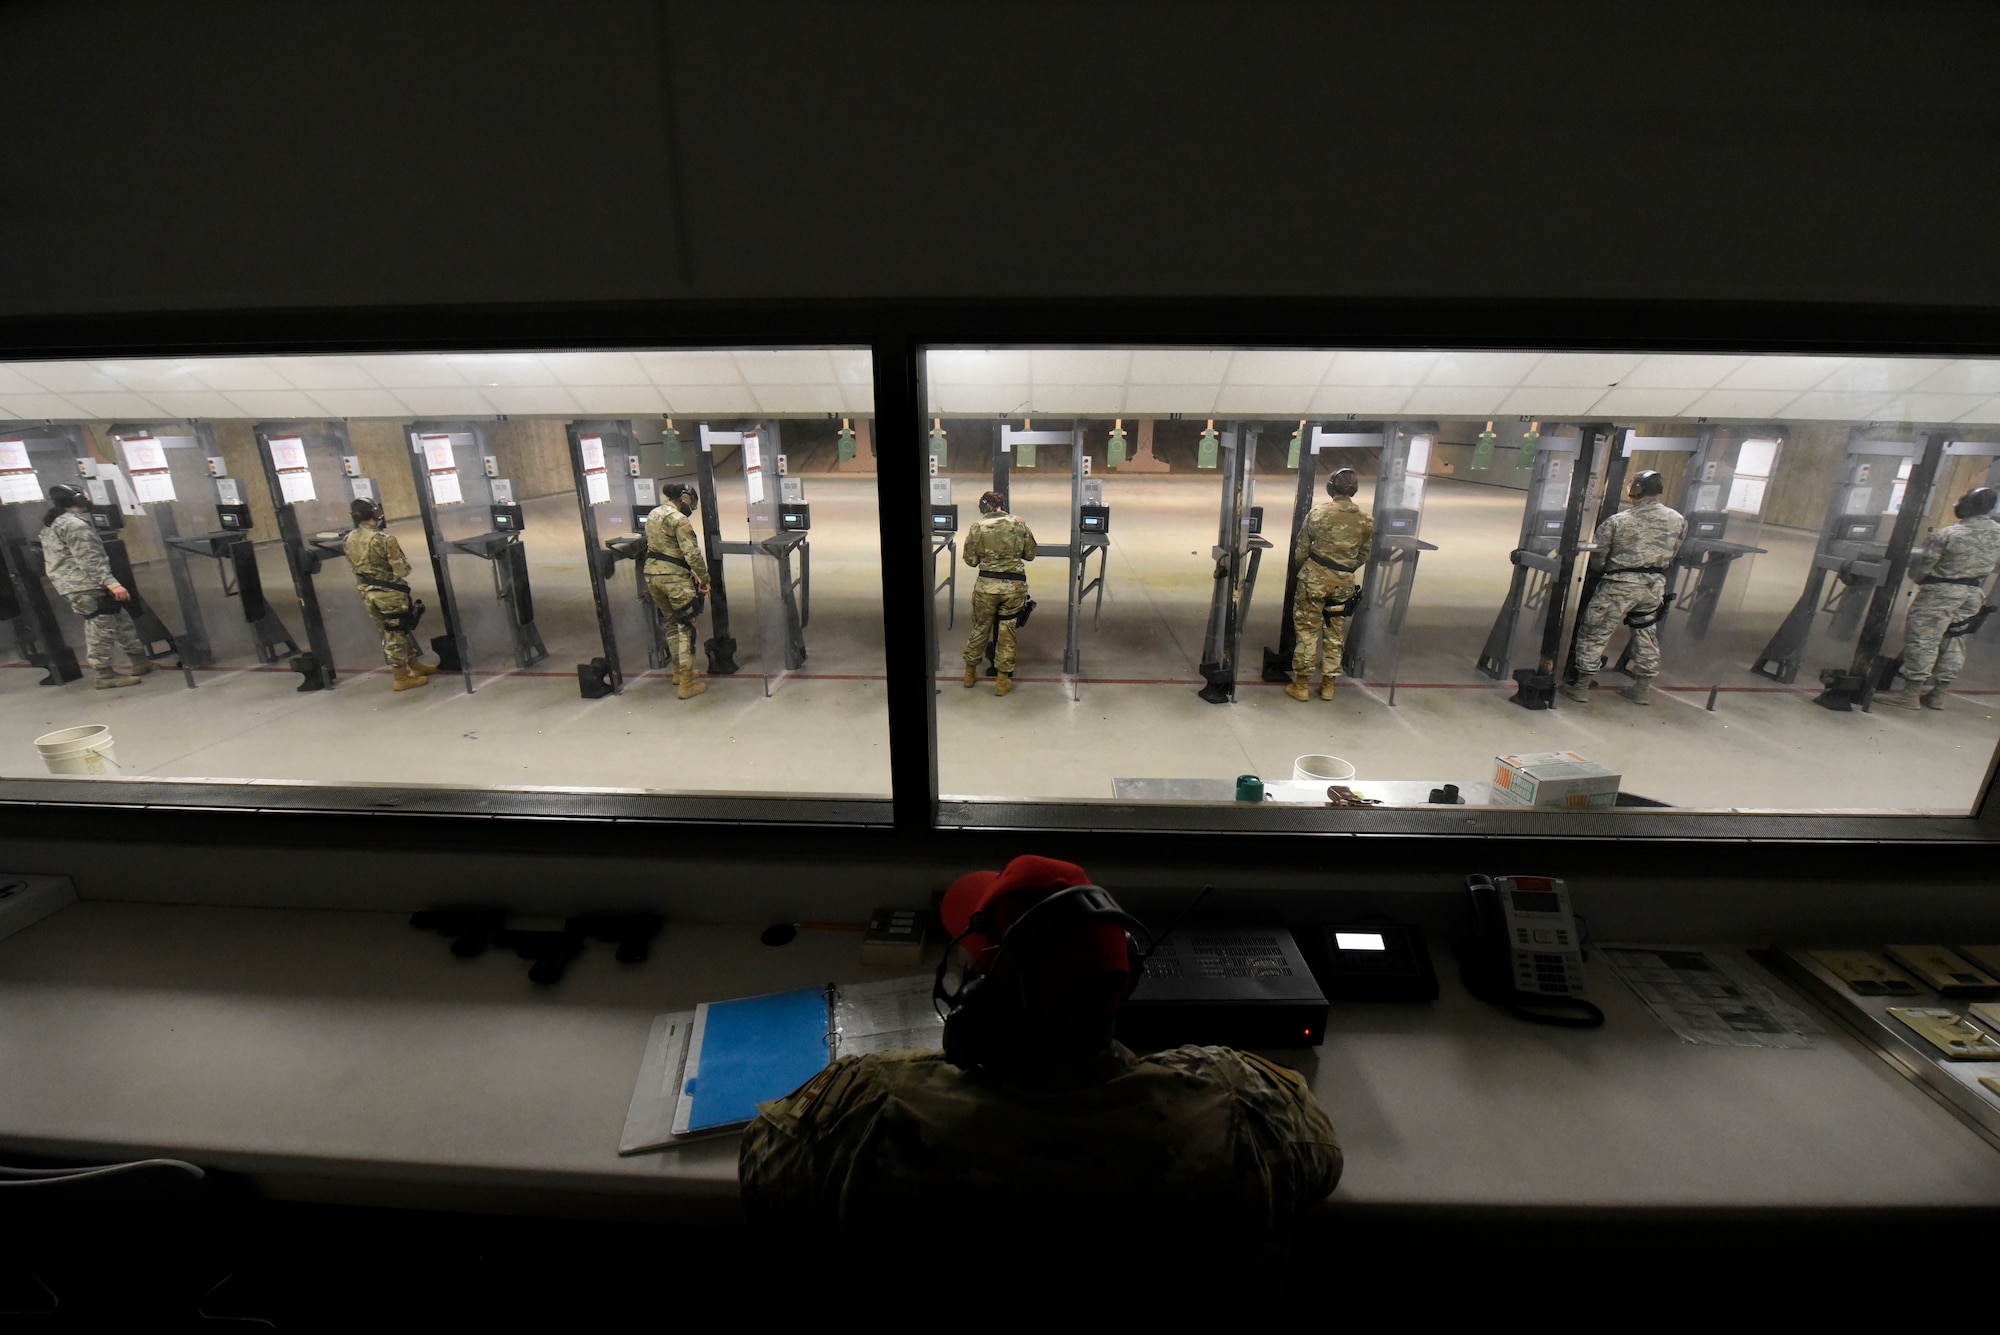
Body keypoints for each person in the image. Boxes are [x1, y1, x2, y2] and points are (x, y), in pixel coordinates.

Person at [740, 855, 1342, 1264]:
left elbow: (760, 1167)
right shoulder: (1241, 1109)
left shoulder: (868, 1110)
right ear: (1125, 981)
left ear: (978, 998)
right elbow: (1323, 1157)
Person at [1561, 469, 1688, 706]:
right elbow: (1674, 551)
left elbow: (1598, 559)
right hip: (1653, 587)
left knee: (1595, 632)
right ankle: (1642, 689)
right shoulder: (1677, 519)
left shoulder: (1618, 521)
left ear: (1636, 489)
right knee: (1646, 634)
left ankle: (1580, 686)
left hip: (1619, 586)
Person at [1884, 486, 2000, 711]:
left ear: (1969, 505)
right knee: (1954, 641)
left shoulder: (1946, 534)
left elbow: (1922, 569)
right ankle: (1938, 694)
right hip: (1973, 594)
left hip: (1939, 593)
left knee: (1923, 640)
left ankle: (1910, 693)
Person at [40, 483, 152, 689]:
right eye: (85, 495)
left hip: (78, 584)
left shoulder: (55, 523)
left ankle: (139, 661)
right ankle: (103, 674)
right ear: (77, 500)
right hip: (85, 585)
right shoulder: (75, 525)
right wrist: (111, 583)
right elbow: (89, 559)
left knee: (120, 620)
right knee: (100, 627)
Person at [1287, 467, 1373, 701]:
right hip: (1344, 583)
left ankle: (1302, 685)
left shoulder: (1319, 513)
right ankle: (1328, 686)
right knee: (1335, 632)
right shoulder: (1365, 519)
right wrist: (1344, 569)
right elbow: (1364, 554)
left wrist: (1308, 570)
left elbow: (1301, 549)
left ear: (1331, 487)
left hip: (1314, 580)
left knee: (1307, 630)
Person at [344, 497, 438, 691]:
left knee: (397, 630)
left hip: (368, 593)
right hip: (390, 593)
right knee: (396, 634)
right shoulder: (384, 539)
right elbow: (402, 571)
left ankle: (414, 666)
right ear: (375, 514)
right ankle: (401, 678)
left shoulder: (349, 538)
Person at [961, 490, 1036, 697]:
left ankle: (969, 675)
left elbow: (971, 560)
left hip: (986, 588)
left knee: (980, 628)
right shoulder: (1019, 524)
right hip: (1014, 589)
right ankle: (1002, 682)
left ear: (984, 506)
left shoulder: (977, 526)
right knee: (1007, 633)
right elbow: (1030, 554)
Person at [643, 482, 712, 700]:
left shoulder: (654, 514)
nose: (691, 506)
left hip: (652, 575)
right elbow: (691, 554)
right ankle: (686, 684)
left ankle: (678, 672)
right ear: (683, 497)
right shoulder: (679, 520)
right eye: (691, 501)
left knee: (671, 624)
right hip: (674, 580)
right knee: (686, 628)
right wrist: (705, 578)